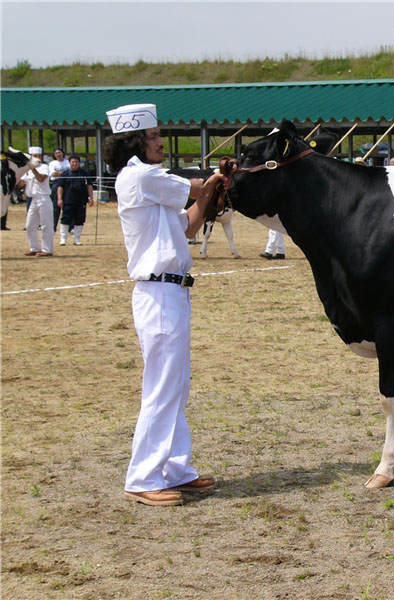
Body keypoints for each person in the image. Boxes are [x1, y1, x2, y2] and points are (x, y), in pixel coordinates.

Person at [102, 103, 222, 507]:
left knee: (175, 383)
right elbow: (192, 188)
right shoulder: (139, 176)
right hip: (158, 292)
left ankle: (175, 469)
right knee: (161, 386)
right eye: (153, 137)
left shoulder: (150, 184)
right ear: (135, 142)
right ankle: (143, 478)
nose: (160, 142)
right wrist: (212, 183)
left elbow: (188, 223)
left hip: (172, 291)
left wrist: (210, 194)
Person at [19, 147, 53, 256]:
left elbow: (41, 178)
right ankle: (34, 247)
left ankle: (47, 249)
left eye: (38, 156)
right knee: (30, 225)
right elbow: (21, 183)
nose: (37, 158)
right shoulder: (27, 170)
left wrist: (33, 169)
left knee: (46, 225)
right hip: (33, 199)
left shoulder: (44, 167)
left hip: (44, 198)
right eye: (34, 156)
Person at [56, 155, 94, 245]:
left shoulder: (84, 173)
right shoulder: (65, 174)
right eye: (73, 162)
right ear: (69, 163)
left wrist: (91, 198)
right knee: (65, 219)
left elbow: (89, 186)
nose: (74, 164)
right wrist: (59, 199)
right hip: (68, 200)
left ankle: (77, 239)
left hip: (81, 201)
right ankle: (63, 239)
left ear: (79, 163)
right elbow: (60, 187)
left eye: (76, 162)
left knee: (80, 220)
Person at [48, 148, 69, 230]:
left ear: (63, 153)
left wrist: (59, 173)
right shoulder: (52, 163)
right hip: (56, 184)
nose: (58, 154)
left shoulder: (67, 162)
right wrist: (66, 173)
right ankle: (53, 227)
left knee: (67, 207)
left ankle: (68, 227)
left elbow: (72, 172)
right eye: (56, 153)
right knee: (55, 207)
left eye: (59, 152)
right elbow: (53, 174)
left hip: (67, 184)